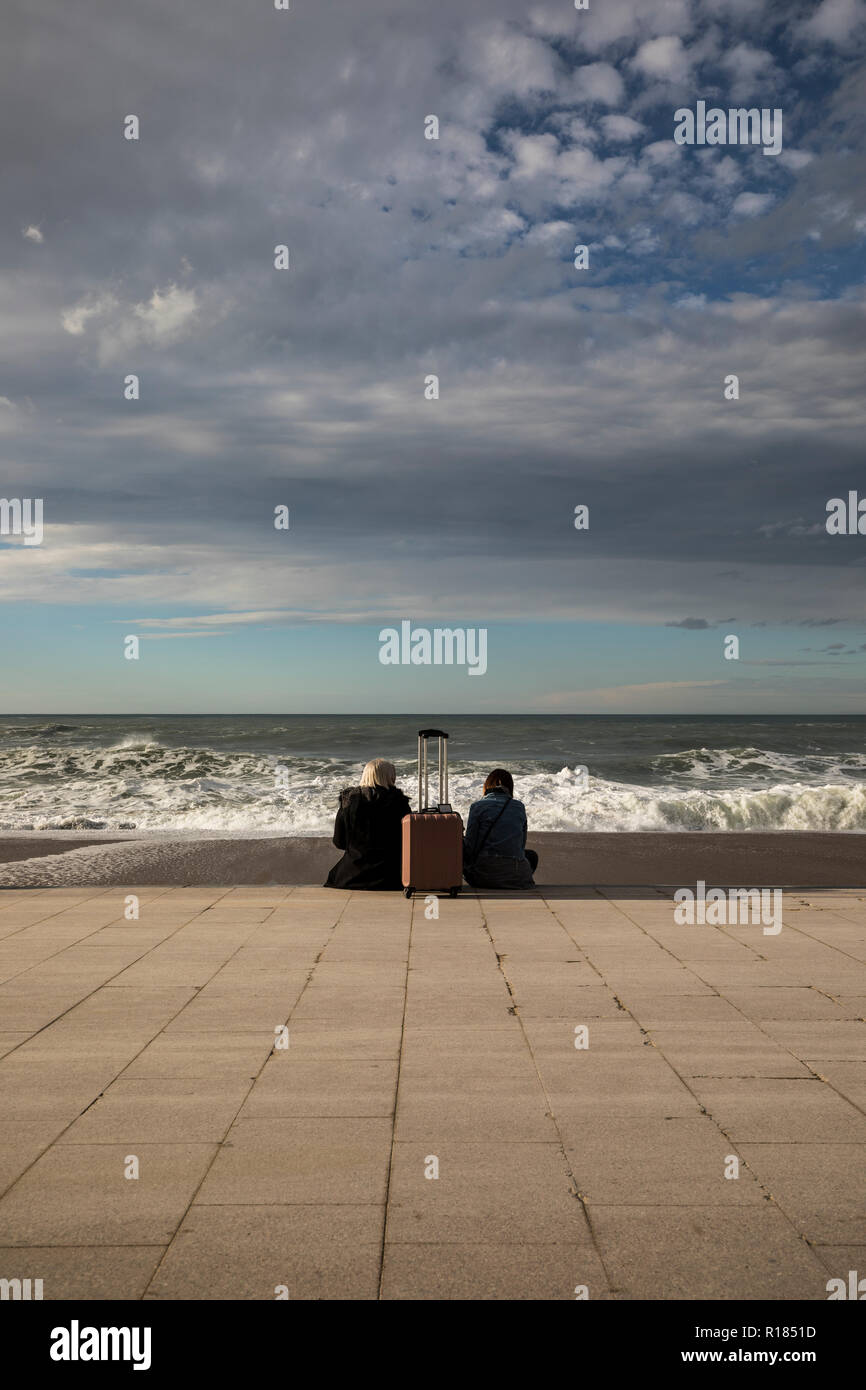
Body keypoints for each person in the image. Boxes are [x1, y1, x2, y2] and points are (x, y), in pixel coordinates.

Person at [324, 758, 411, 890]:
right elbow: (407, 842)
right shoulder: (400, 803)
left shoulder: (349, 802)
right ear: (388, 777)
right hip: (390, 877)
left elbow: (339, 842)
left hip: (350, 877)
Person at [462, 768, 538, 889]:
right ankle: (509, 879)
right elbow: (520, 846)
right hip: (518, 877)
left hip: (482, 877)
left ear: (487, 785)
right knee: (532, 856)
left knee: (460, 845)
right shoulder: (519, 807)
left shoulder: (477, 806)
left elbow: (470, 847)